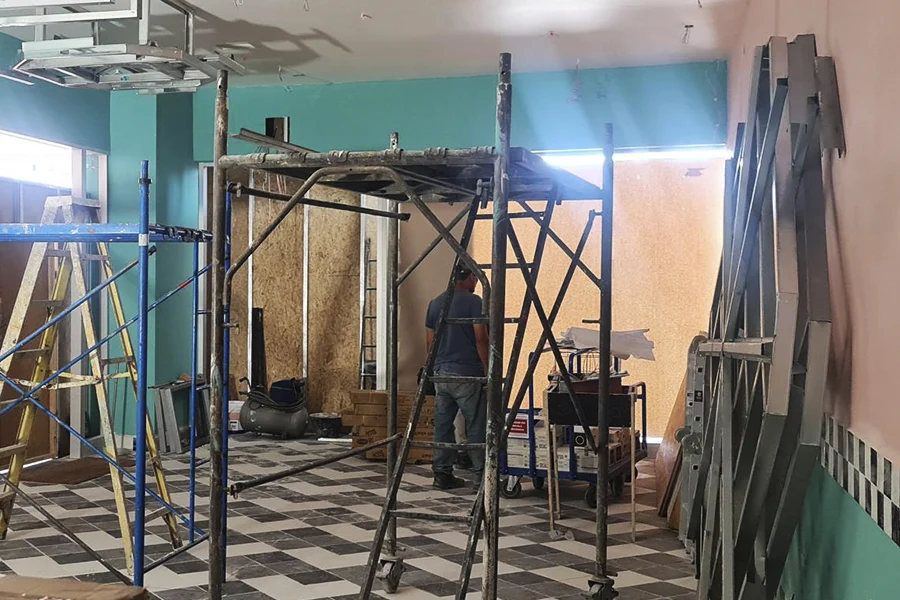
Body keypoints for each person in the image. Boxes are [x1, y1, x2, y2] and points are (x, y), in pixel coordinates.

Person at [425, 266, 488, 490]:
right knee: (476, 424)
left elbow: (430, 342)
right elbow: (481, 338)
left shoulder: (435, 303)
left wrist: (434, 369)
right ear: (470, 277)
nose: (477, 284)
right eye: (476, 279)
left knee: (443, 425)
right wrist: (488, 369)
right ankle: (481, 478)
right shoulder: (474, 302)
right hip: (467, 373)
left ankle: (442, 474)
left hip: (442, 373)